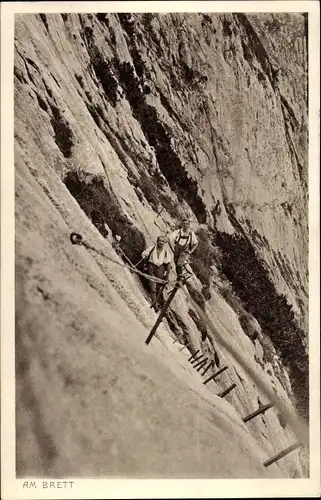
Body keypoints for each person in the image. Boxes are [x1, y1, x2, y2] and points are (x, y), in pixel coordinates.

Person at [141, 235, 173, 311]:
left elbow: (168, 264)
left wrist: (167, 276)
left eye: (162, 241)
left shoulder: (166, 252)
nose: (161, 242)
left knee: (158, 287)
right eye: (160, 241)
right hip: (151, 267)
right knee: (153, 286)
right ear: (157, 241)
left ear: (164, 243)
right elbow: (144, 254)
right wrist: (145, 261)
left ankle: (158, 301)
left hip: (160, 269)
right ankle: (155, 306)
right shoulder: (152, 249)